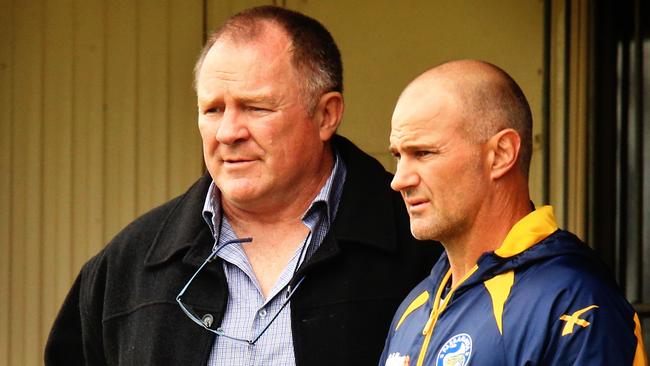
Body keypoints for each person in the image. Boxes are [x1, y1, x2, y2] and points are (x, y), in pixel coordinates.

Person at [44, 6, 441, 366]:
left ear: (326, 115)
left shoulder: (424, 248)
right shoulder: (126, 267)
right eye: (213, 109)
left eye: (256, 107)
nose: (229, 132)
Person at [380, 60, 647, 365]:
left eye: (423, 153)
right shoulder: (414, 308)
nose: (399, 180)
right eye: (398, 156)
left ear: (501, 154)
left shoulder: (576, 302)